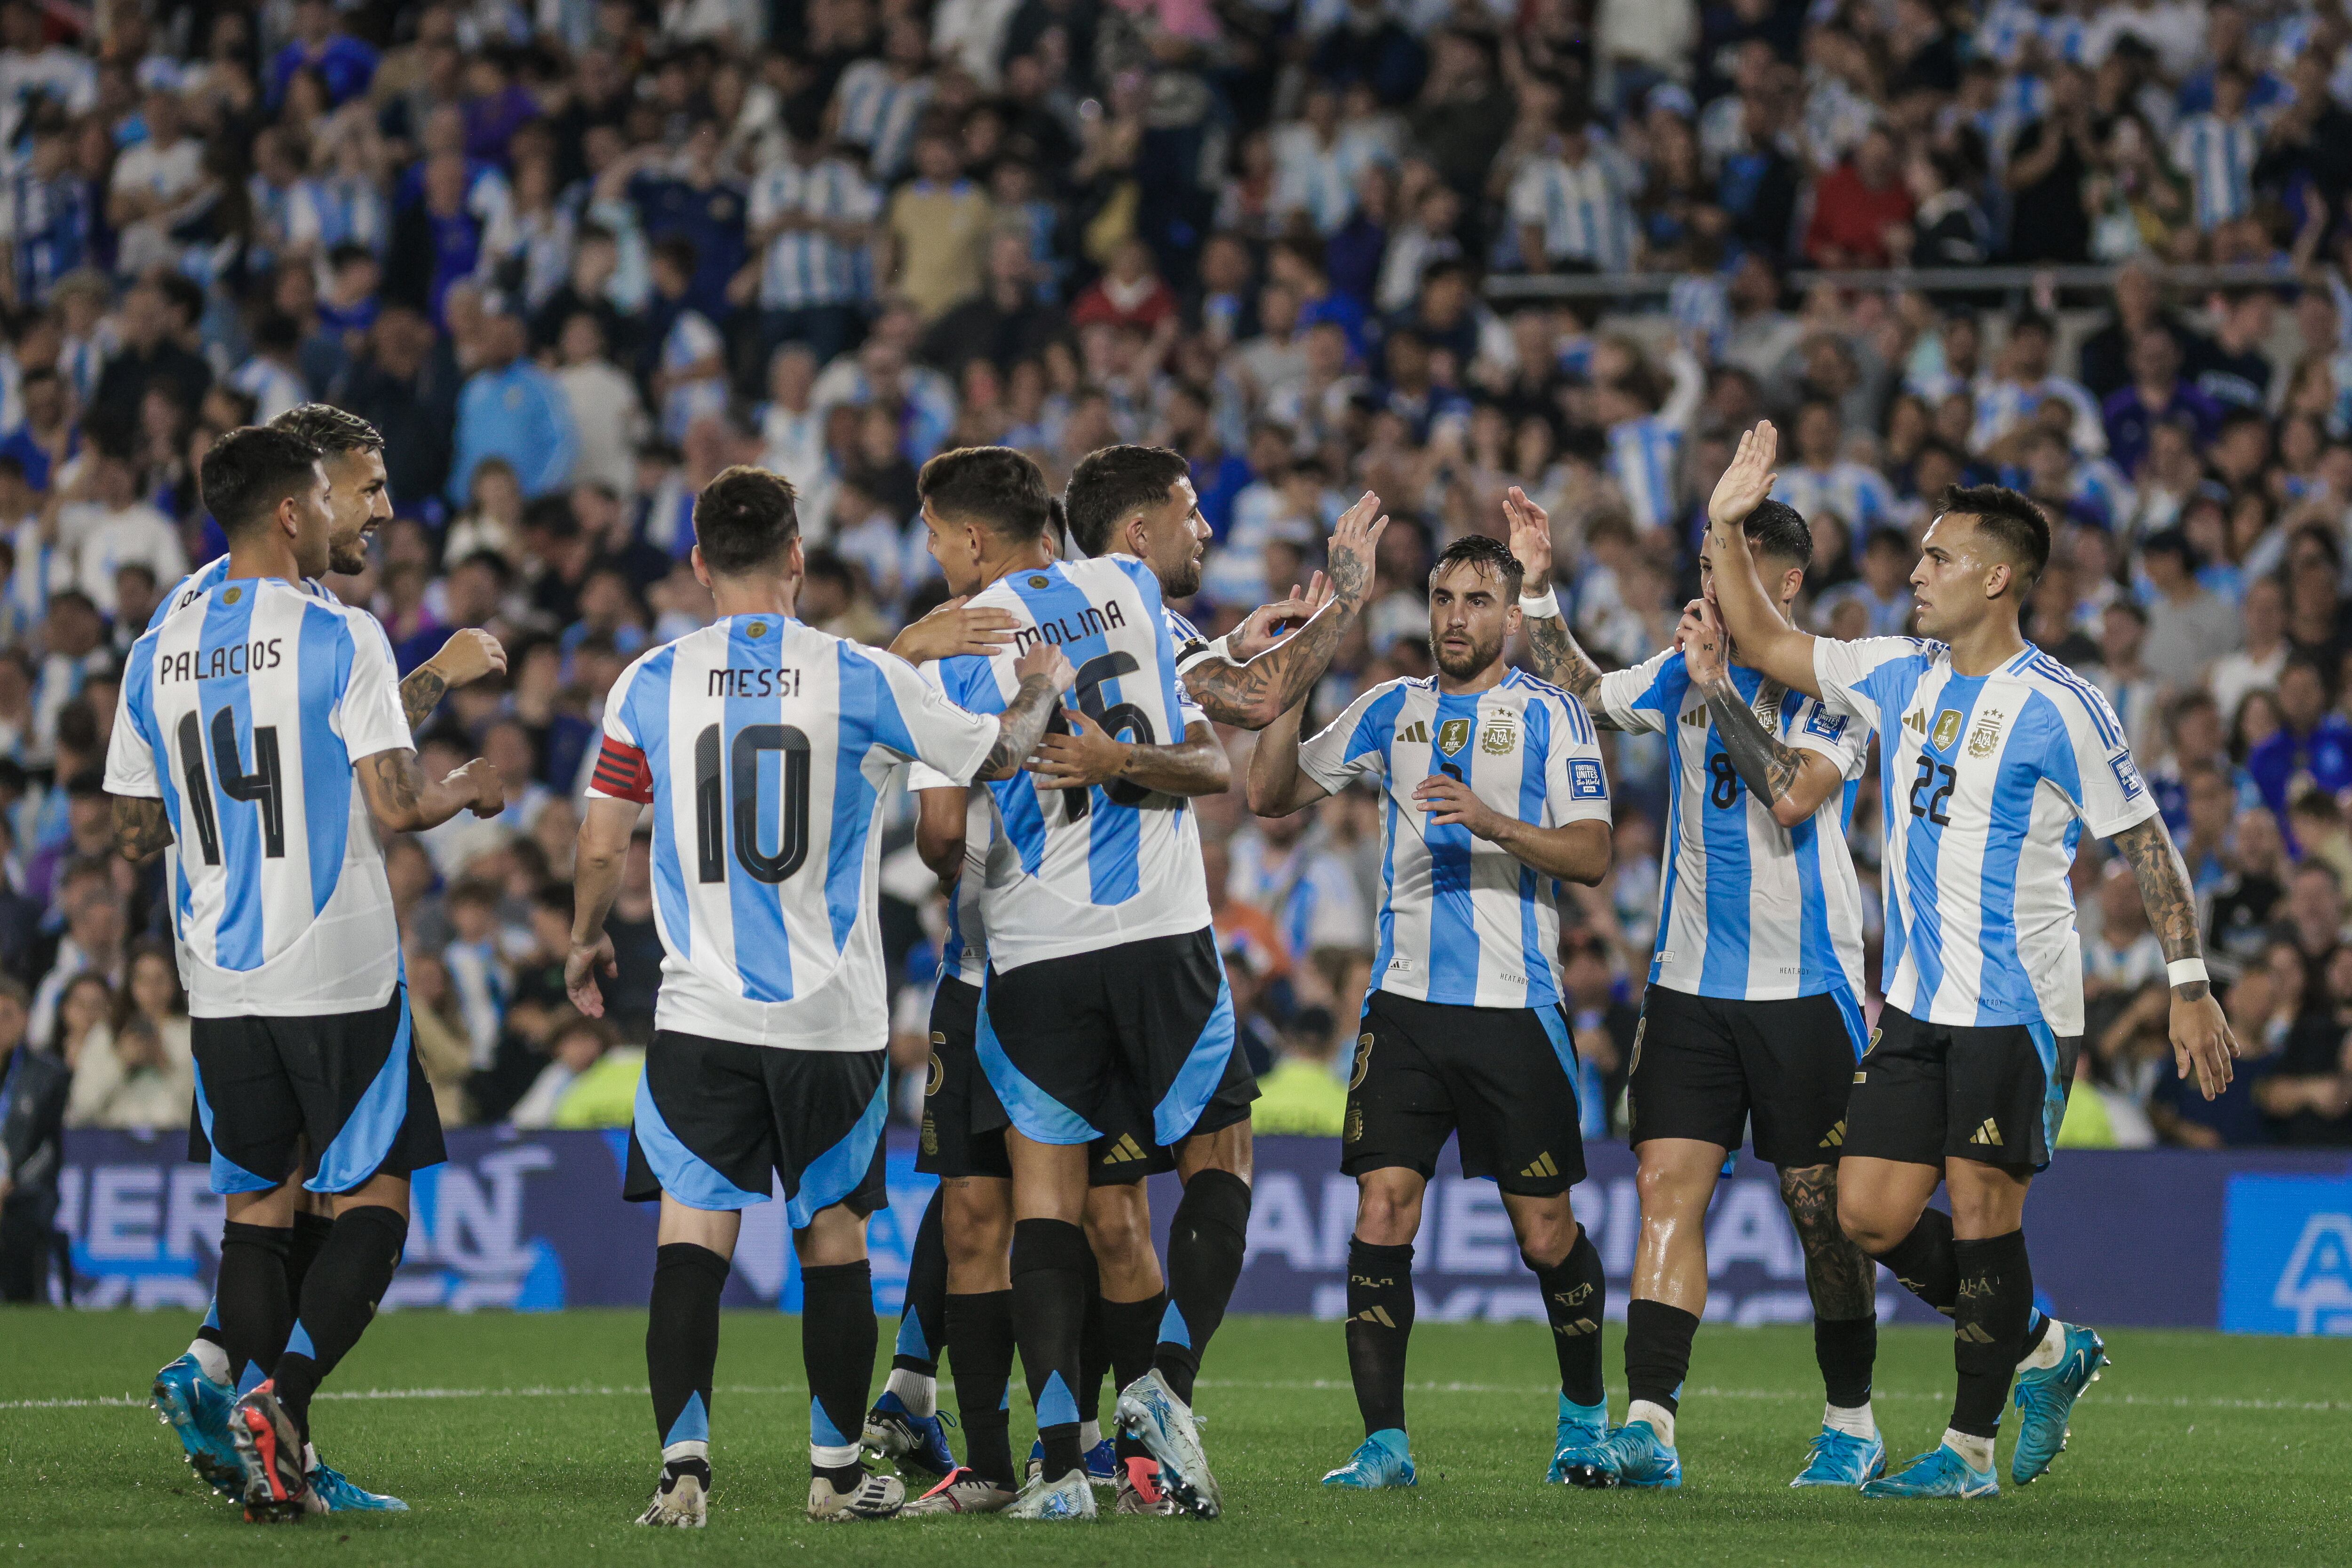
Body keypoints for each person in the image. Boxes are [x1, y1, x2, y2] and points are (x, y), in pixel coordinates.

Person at [1700, 421, 2235, 1499]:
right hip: (1915, 1007)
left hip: (2016, 1008)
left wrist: (2189, 984)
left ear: (1997, 578)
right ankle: (2046, 1346)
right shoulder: (1897, 671)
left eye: (1938, 558)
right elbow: (1761, 642)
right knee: (1867, 1214)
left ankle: (1967, 1454)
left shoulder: (2059, 705)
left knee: (1988, 1223)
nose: (1915, 572)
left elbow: (2144, 842)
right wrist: (1722, 522)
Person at [562, 464, 1069, 1527]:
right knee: (830, 1234)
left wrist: (581, 942)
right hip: (829, 1017)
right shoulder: (860, 677)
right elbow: (1008, 755)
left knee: (692, 1236)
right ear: (797, 558)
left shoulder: (648, 682)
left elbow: (602, 842)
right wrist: (1039, 686)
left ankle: (683, 1470)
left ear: (699, 564)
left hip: (698, 1011)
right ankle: (836, 1475)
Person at [104, 424, 505, 1520]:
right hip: (333, 963)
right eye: (339, 497)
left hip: (219, 973)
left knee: (258, 1213)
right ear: (293, 510)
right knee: (375, 1200)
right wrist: (467, 786)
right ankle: (278, 1404)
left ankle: (265, 1450)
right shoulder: (340, 631)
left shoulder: (159, 644)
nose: (349, 516)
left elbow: (137, 834)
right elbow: (393, 803)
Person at [888, 445, 1257, 1522]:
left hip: (1036, 952)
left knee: (1046, 1206)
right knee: (1218, 1163)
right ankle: (1161, 1391)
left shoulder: (955, 645)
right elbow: (1210, 726)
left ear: (967, 540)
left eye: (929, 530)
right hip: (1162, 934)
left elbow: (944, 838)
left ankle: (1058, 1471)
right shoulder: (1128, 583)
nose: (927, 548)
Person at [1504, 480, 1884, 1489]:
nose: (1711, 584)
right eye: (1708, 565)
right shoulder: (1679, 670)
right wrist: (1539, 593)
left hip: (1807, 987)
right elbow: (1580, 690)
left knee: (1821, 1213)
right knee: (1667, 1191)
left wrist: (1718, 687)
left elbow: (1795, 796)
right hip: (1687, 989)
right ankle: (1651, 1428)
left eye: (1732, 566)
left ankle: (1851, 1421)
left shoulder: (1835, 691)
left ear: (1787, 583)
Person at [1246, 532, 1617, 1492]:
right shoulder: (1390, 710)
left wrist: (1493, 822)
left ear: (1508, 611)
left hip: (1513, 1009)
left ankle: (1583, 1419)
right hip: (1402, 1007)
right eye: (1443, 598)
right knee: (1382, 1208)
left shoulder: (1551, 717)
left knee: (1545, 1233)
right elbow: (1268, 791)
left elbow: (1589, 854)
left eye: (1476, 600)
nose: (1455, 617)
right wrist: (1286, 686)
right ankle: (1384, 1443)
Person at [0, 976, 67, 1302]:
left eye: (6, 1015)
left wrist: (11, 1182)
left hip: (24, 1192)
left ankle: (23, 1302)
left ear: (26, 1018)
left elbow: (48, 1148)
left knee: (20, 1224)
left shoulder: (47, 1074)